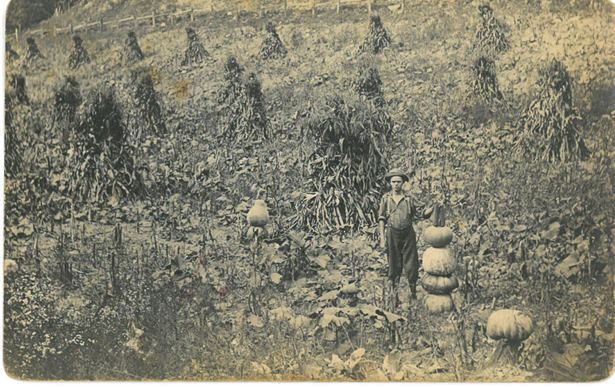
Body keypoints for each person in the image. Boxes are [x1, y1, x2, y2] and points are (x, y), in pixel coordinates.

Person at [378, 168, 432, 304]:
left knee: (411, 262)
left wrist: (431, 209)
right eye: (393, 182)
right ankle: (394, 295)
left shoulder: (409, 198)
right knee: (393, 263)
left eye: (398, 182)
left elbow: (422, 213)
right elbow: (381, 219)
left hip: (408, 233)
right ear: (390, 183)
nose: (396, 184)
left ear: (403, 183)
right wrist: (382, 239)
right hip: (392, 233)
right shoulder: (386, 199)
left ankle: (413, 293)